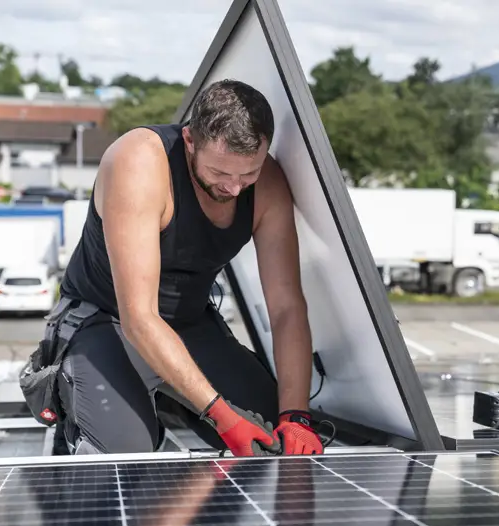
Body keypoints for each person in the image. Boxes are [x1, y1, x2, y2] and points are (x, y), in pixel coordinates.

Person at [53, 79, 323, 457]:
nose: (233, 188)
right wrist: (221, 416)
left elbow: (286, 308)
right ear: (190, 141)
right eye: (219, 173)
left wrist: (297, 416)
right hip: (109, 321)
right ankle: (103, 415)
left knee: (270, 442)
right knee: (121, 457)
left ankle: (173, 402)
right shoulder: (140, 162)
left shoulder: (268, 184)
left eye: (248, 174)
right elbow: (139, 318)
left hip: (190, 322)